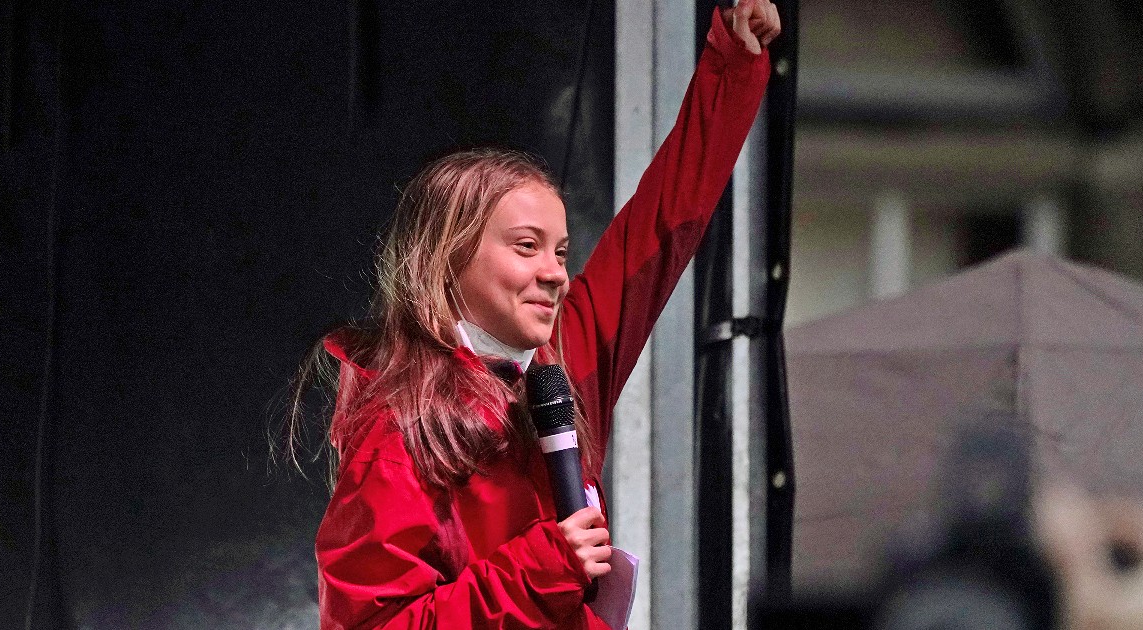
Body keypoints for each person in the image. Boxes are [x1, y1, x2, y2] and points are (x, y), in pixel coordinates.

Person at [289, 1, 779, 627]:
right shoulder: (397, 430)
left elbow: (661, 226)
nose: (554, 271)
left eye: (561, 251)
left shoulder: (562, 359)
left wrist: (732, 65)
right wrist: (542, 567)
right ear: (448, 257)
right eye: (526, 246)